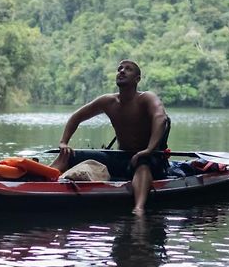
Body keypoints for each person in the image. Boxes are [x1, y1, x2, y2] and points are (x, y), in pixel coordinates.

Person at [51, 60, 170, 215]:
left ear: (137, 78)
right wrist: (63, 142)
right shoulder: (108, 101)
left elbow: (161, 118)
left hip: (151, 158)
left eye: (128, 69)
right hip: (121, 158)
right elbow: (77, 117)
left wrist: (148, 150)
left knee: (142, 162)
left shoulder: (146, 98)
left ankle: (139, 208)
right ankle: (42, 179)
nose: (122, 71)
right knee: (69, 154)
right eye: (120, 68)